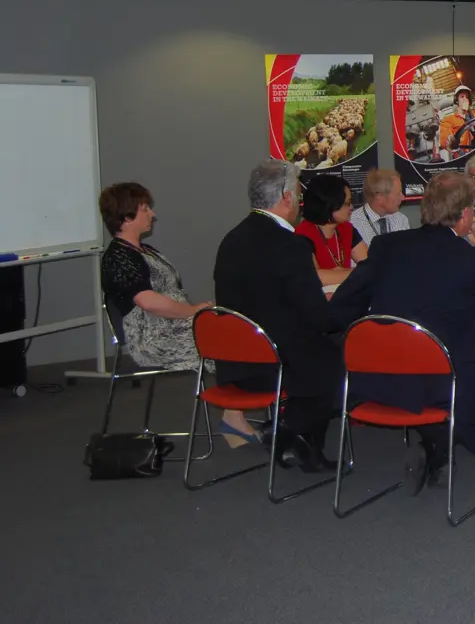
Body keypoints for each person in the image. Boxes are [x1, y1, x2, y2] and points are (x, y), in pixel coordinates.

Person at [330, 172, 475, 493]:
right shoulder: (474, 260)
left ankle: (434, 442)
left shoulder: (386, 246)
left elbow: (343, 305)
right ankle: (440, 443)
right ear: (465, 214)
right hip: (443, 385)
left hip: (377, 377)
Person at [98, 183, 262, 447]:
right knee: (230, 344)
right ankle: (234, 418)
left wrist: (199, 315)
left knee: (240, 331)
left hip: (176, 326)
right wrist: (194, 311)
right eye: (145, 209)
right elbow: (148, 301)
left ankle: (238, 413)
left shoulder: (145, 251)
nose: (152, 214)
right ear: (126, 218)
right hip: (154, 338)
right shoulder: (117, 257)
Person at [214, 159, 343, 471]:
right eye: (298, 195)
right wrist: (342, 309)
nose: (299, 201)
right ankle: (293, 434)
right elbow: (318, 317)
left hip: (235, 359)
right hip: (276, 361)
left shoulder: (231, 239)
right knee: (344, 358)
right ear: (287, 198)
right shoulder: (290, 245)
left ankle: (292, 434)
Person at [294, 174, 368, 287]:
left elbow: (370, 265)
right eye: (347, 203)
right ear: (330, 205)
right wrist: (358, 273)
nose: (351, 207)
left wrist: (339, 273)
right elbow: (316, 277)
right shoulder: (303, 234)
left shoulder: (346, 228)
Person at [349, 168, 410, 247]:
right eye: (398, 194)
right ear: (379, 196)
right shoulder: (353, 224)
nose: (403, 198)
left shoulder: (401, 220)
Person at [437, 84, 475, 158]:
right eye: (462, 97)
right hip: (465, 157)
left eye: (467, 97)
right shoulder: (449, 120)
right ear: (457, 101)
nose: (465, 99)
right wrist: (451, 141)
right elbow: (445, 140)